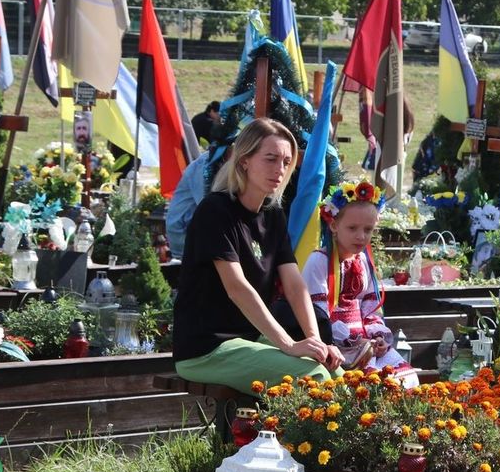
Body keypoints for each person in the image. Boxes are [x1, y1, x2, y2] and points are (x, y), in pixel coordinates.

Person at [173, 118, 344, 392]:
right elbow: (237, 288)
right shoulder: (215, 211)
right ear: (244, 161)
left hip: (248, 340)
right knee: (316, 378)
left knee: (334, 372)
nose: (280, 169)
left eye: (286, 162)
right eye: (271, 159)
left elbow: (294, 285)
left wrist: (315, 341)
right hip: (205, 349)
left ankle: (352, 435)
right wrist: (288, 344)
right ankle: (307, 436)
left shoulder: (273, 215)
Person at [301, 180, 416, 384]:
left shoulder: (362, 260)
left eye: (368, 229)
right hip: (333, 347)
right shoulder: (319, 261)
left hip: (365, 345)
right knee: (374, 385)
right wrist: (353, 341)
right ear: (334, 225)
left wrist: (378, 337)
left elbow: (369, 308)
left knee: (405, 379)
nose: (361, 236)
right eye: (352, 228)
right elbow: (317, 316)